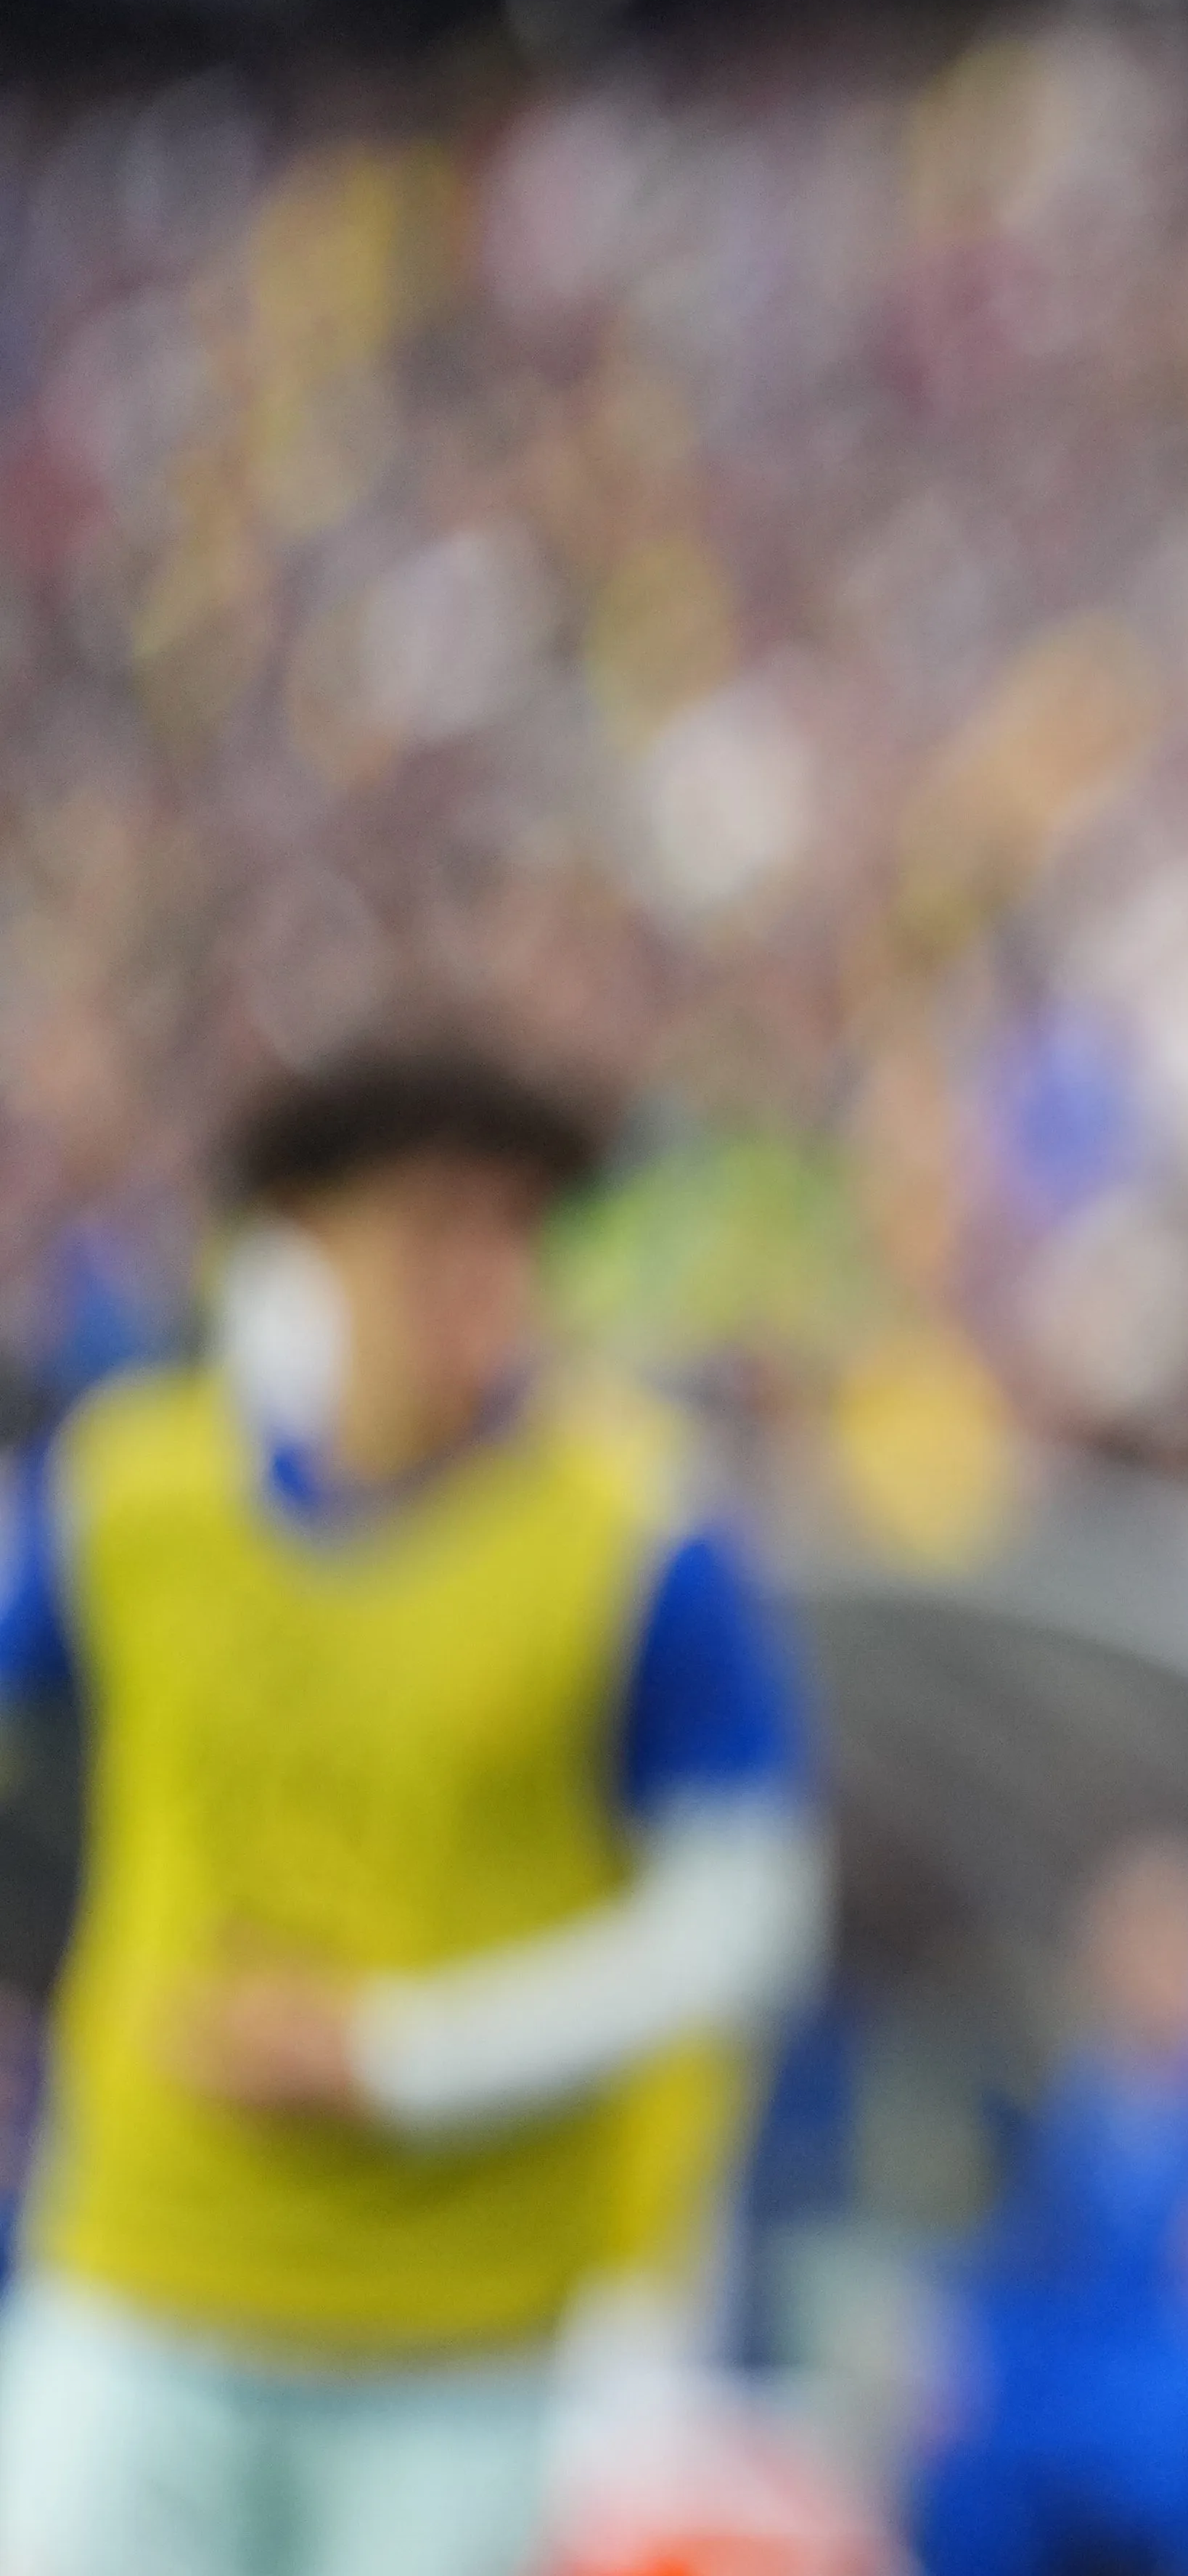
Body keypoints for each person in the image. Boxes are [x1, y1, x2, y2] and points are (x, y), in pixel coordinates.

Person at [0, 1038, 828, 2576]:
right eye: (434, 1225)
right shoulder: (125, 1490)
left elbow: (745, 1922)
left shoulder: (637, 1536)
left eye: (517, 1230)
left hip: (454, 2345)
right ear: (299, 1240)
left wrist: (404, 2058)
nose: (487, 1276)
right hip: (140, 2269)